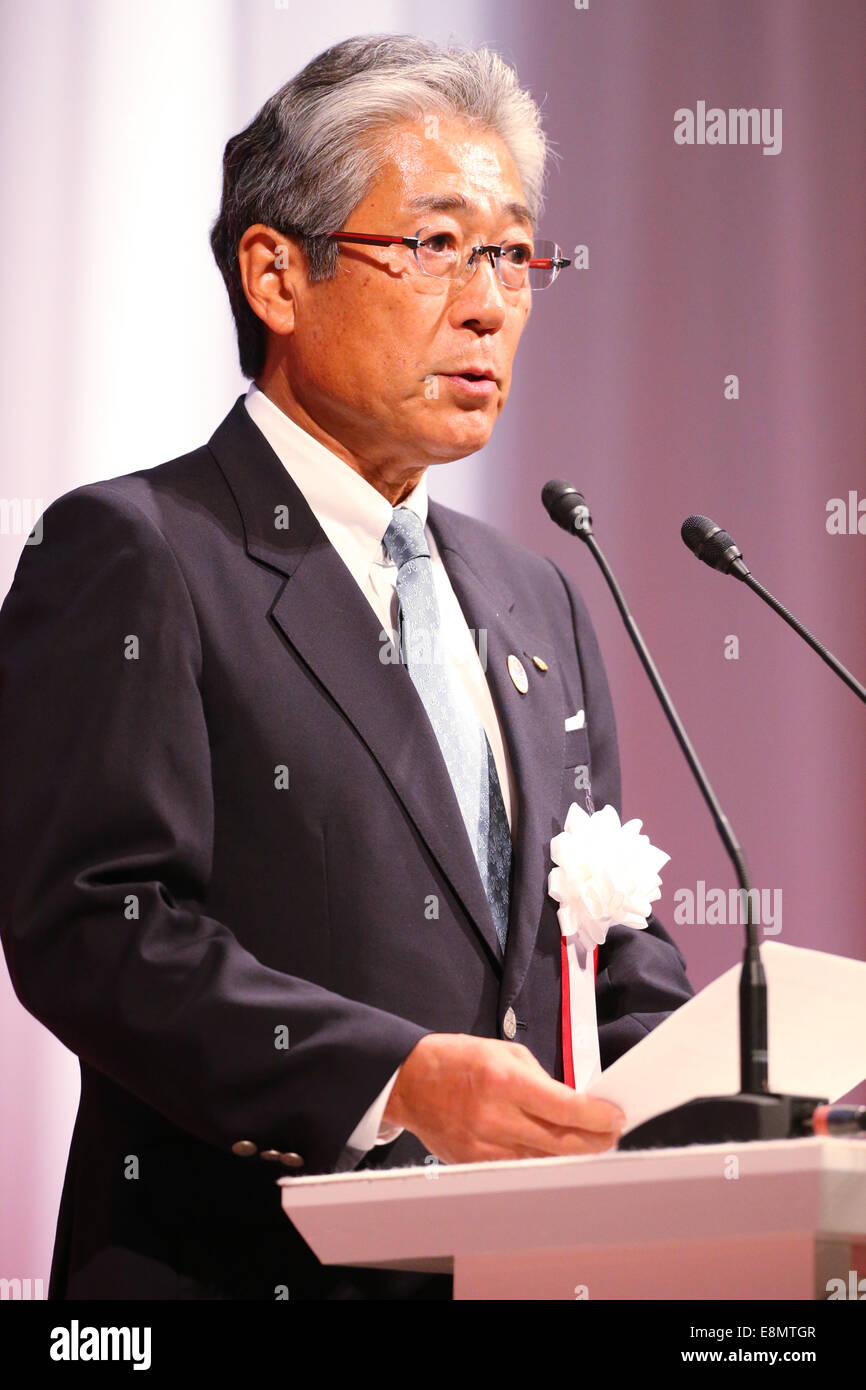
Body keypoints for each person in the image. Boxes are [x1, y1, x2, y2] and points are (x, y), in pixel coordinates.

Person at [0, 33, 693, 1301]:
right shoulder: (139, 551)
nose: (487, 301)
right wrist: (393, 1078)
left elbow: (607, 949)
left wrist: (716, 1105)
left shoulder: (531, 593)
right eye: (434, 247)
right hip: (237, 1272)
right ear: (276, 273)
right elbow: (96, 927)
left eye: (510, 253)